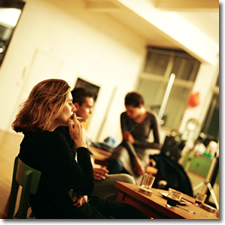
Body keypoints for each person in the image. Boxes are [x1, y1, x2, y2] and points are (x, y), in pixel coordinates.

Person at [12, 79, 148, 219]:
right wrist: (80, 141)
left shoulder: (32, 135)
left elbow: (66, 174)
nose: (74, 108)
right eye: (70, 103)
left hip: (58, 205)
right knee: (136, 215)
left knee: (131, 212)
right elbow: (87, 187)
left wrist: (78, 187)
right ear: (52, 105)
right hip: (66, 212)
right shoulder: (53, 141)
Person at [56, 87, 135, 200]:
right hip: (74, 185)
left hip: (80, 177)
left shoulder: (76, 129)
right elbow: (66, 167)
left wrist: (89, 167)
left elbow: (80, 157)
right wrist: (87, 171)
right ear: (76, 106)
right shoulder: (65, 132)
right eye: (88, 107)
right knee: (127, 181)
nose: (91, 112)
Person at [107, 91, 161, 184]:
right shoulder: (123, 116)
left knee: (131, 179)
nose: (128, 113)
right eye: (127, 110)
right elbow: (126, 140)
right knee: (117, 162)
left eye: (131, 111)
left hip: (142, 152)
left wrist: (135, 142)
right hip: (126, 147)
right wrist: (135, 159)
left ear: (140, 106)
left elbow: (158, 145)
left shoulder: (152, 117)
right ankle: (100, 189)